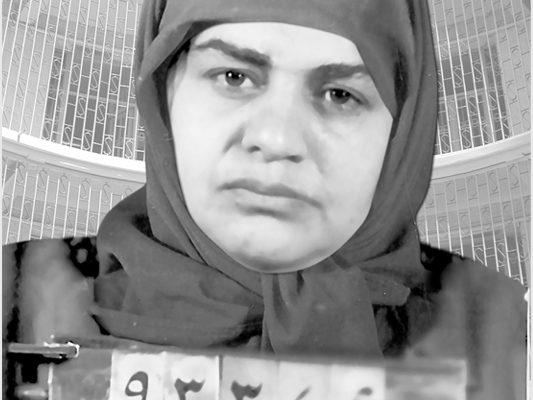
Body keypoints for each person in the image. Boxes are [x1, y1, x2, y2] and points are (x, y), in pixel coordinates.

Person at [3, 0, 526, 399]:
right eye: (234, 77)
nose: (277, 139)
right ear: (163, 92)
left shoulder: (507, 336)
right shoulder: (16, 297)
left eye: (341, 94)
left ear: (400, 131)